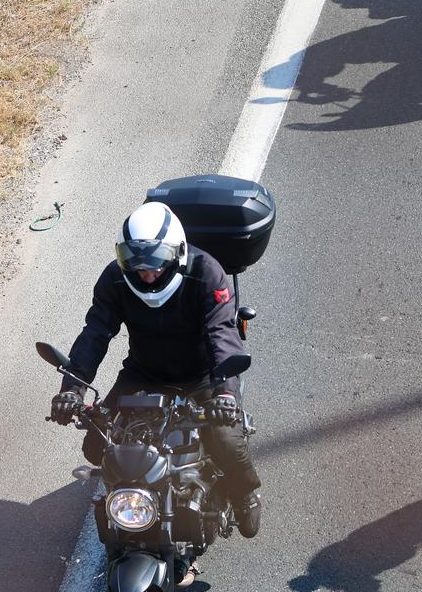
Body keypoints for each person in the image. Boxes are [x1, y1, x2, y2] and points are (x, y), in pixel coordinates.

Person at [50, 201, 263, 539]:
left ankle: (245, 493)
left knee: (226, 440)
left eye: (155, 264)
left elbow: (222, 333)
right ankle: (135, 502)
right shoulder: (116, 279)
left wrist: (224, 392)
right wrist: (71, 389)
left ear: (176, 253)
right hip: (144, 374)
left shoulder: (206, 272)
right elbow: (96, 333)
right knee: (97, 443)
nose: (146, 273)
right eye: (137, 265)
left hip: (202, 377)